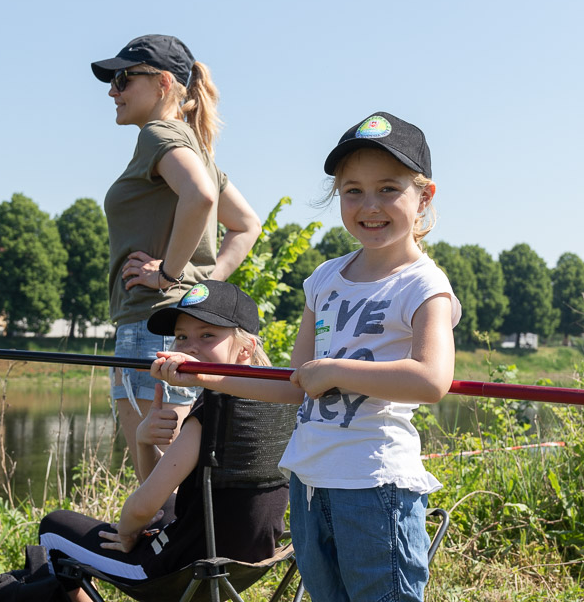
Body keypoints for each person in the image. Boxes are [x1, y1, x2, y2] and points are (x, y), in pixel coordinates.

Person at [153, 112, 462, 602]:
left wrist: (335, 370)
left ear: (424, 197)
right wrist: (206, 377)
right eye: (353, 190)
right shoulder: (324, 280)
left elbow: (431, 380)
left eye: (388, 189)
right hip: (310, 480)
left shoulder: (424, 285)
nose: (369, 205)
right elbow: (292, 383)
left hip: (375, 482)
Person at [39, 281, 289, 601]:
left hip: (182, 570)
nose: (189, 346)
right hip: (249, 561)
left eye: (207, 335)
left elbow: (143, 506)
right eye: (182, 336)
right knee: (166, 506)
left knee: (52, 526)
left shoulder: (215, 408)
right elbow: (160, 490)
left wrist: (127, 533)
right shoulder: (281, 403)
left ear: (245, 348)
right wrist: (144, 441)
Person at [91, 34, 261, 474]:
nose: (113, 90)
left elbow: (201, 197)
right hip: (174, 324)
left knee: (157, 480)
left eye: (124, 78)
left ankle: (160, 542)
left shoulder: (158, 134)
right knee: (177, 478)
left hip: (153, 324)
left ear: (164, 82)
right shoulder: (198, 148)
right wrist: (200, 285)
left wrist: (168, 276)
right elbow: (246, 225)